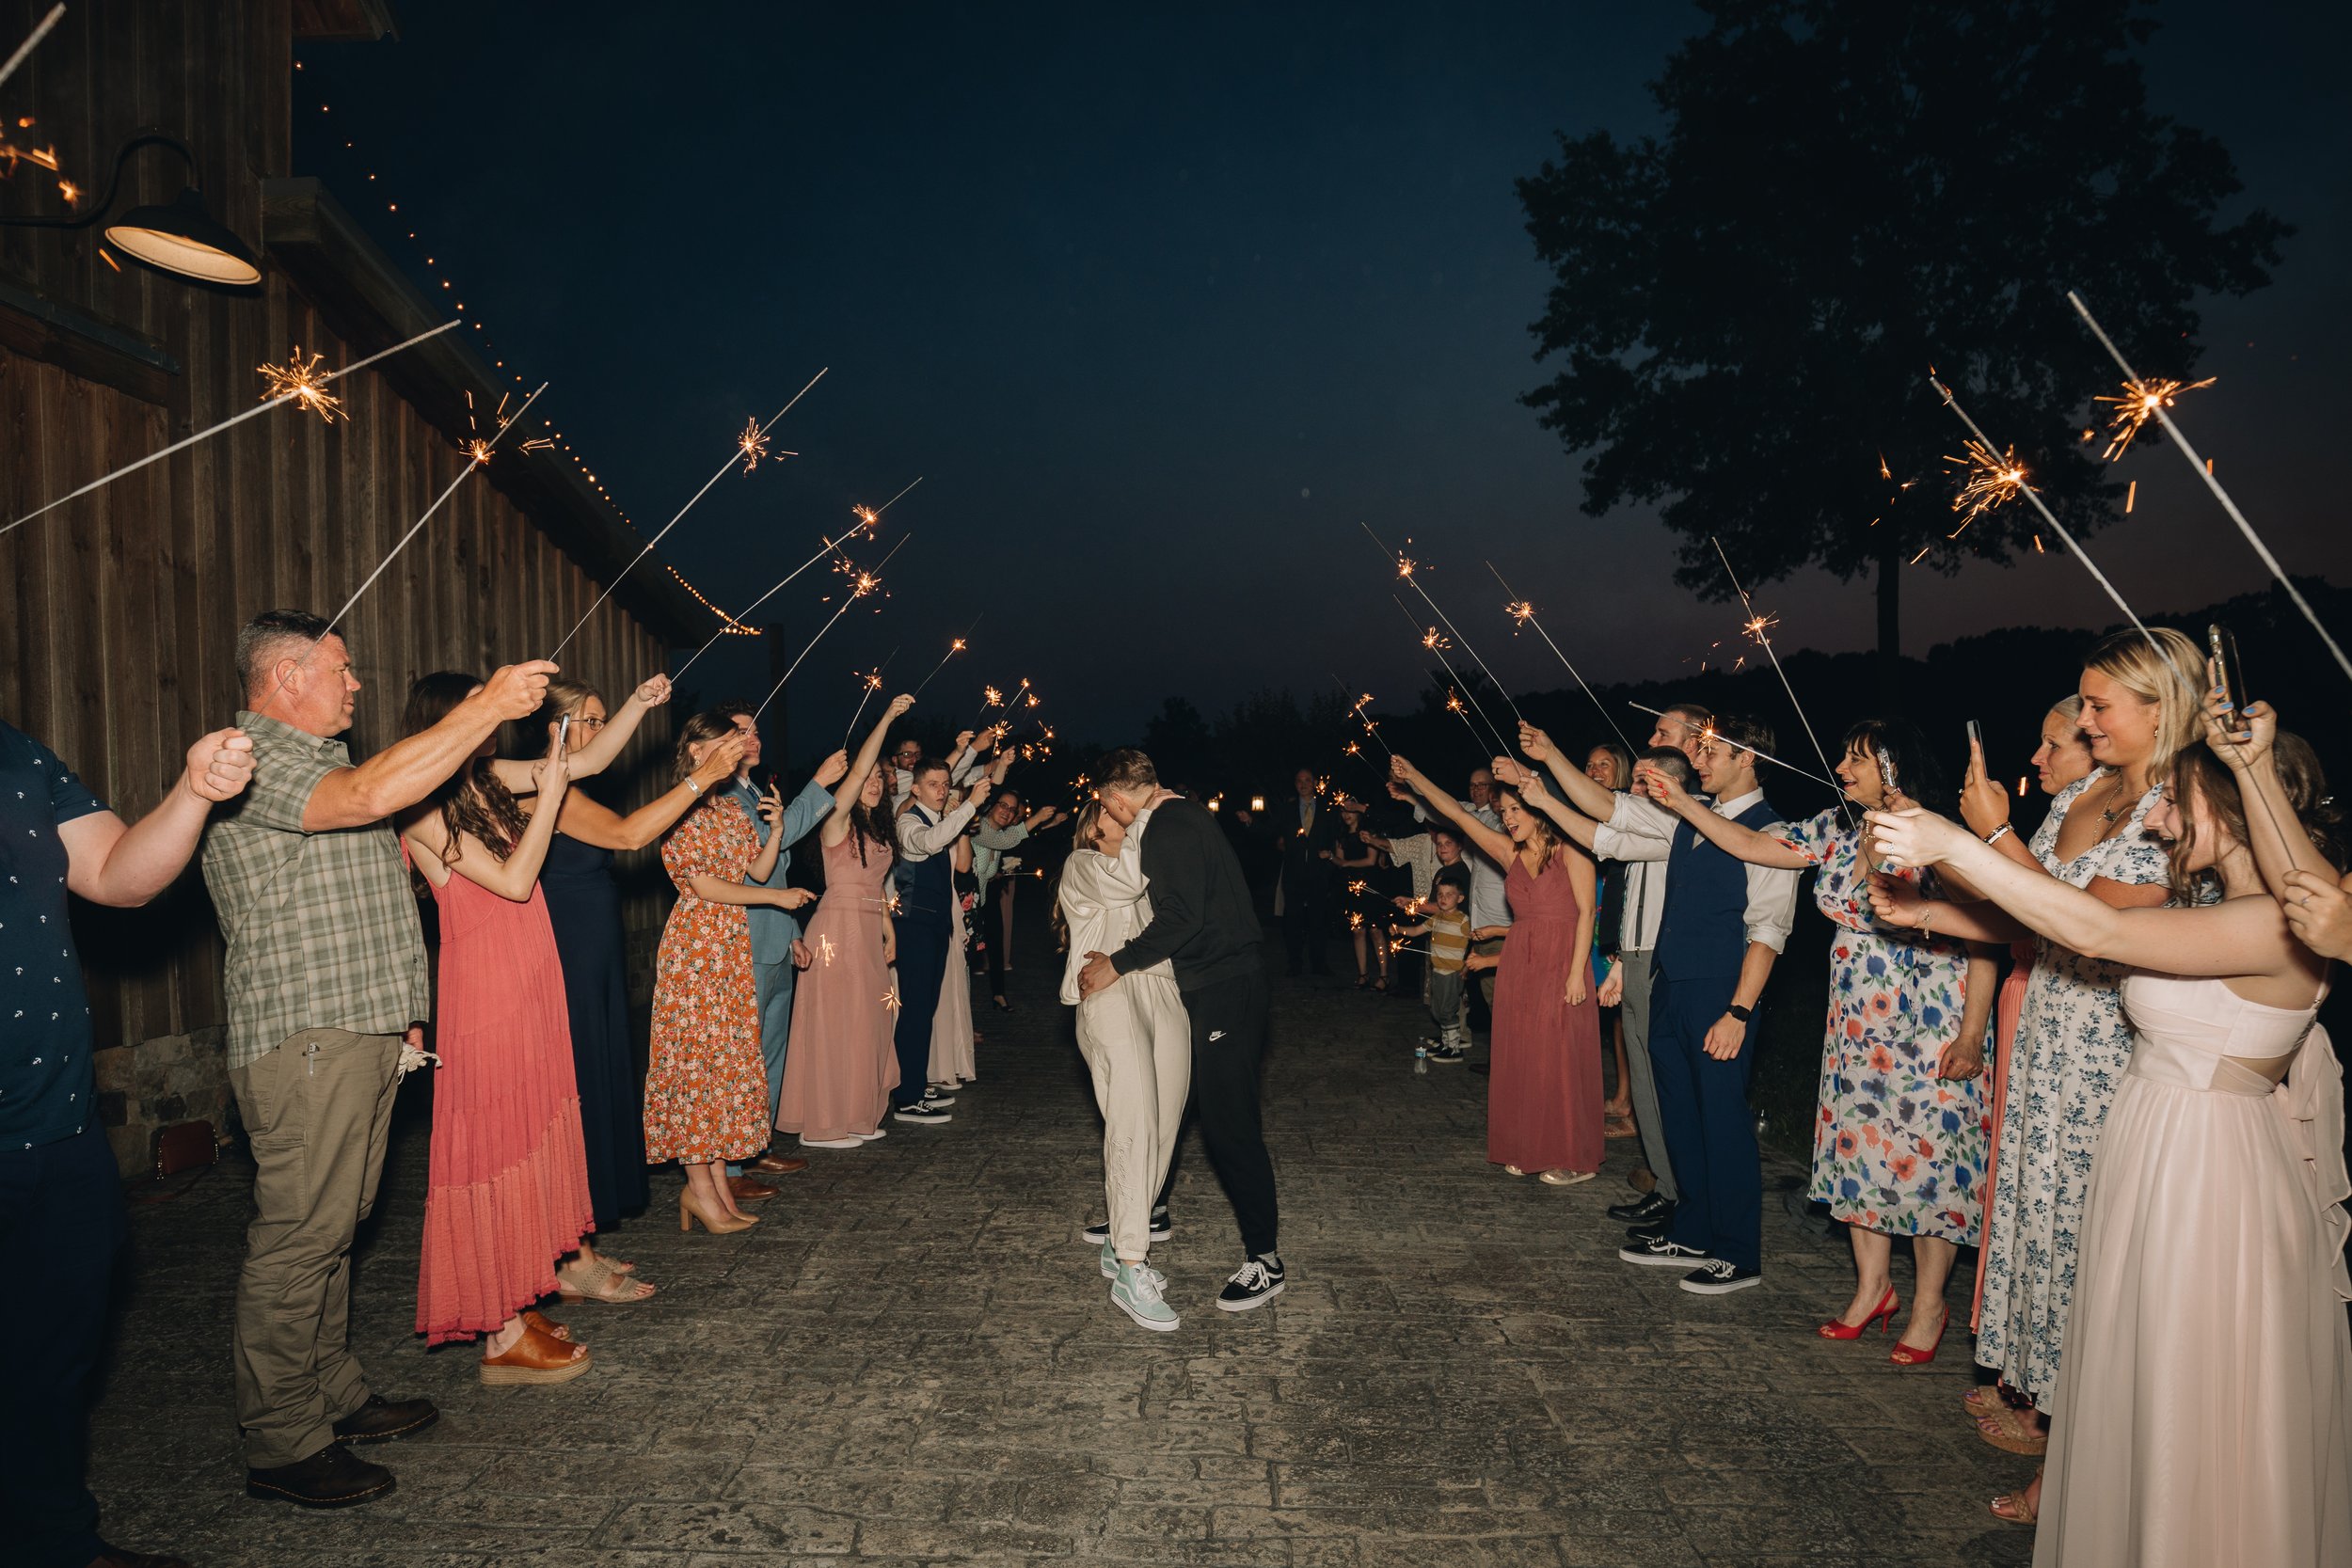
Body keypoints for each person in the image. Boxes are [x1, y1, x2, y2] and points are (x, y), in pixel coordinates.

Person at [1866, 708, 2347, 1561]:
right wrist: (1930, 915)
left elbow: (2100, 927)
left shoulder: (2274, 925)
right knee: (2135, 1375)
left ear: (2231, 811)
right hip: (2152, 1157)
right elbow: (2059, 927)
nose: (2157, 820)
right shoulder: (2219, 912)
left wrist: (1956, 841)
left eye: (2176, 804)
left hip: (2211, 1182)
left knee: (2190, 1384)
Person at [202, 609, 553, 1507]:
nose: (357, 683)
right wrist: (482, 710)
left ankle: (335, 1393)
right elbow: (371, 800)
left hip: (358, 1029)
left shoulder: (325, 762)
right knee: (297, 1238)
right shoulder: (257, 757)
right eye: (341, 669)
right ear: (284, 678)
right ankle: (283, 1440)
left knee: (338, 1224)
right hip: (304, 1034)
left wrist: (402, 1022)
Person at [1638, 719, 1994, 1357]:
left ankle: (1930, 1303)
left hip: (1929, 1021)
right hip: (1857, 1023)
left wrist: (1972, 1035)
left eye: (1855, 757)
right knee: (1861, 1154)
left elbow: (1985, 936)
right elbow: (1751, 846)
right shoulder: (1834, 827)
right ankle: (1872, 1288)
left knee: (1928, 1164)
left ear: (1892, 766)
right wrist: (1684, 800)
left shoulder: (1936, 833)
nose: (1841, 765)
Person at [6, 718, 252, 1568]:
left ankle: (55, 1543)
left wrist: (194, 793)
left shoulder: (15, 750)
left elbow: (116, 875)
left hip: (56, 1123)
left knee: (50, 1358)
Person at [1962, 628, 2199, 1509]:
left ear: (2159, 708)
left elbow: (2081, 918)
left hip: (2115, 1054)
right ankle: (2065, 1451)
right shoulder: (2086, 795)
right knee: (2051, 1250)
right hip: (2048, 1047)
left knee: (2099, 1263)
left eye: (2101, 705)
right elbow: (2021, 913)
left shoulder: (2175, 808)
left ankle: (2088, 1475)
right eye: (2085, 703)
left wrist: (1990, 831)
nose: (2087, 719)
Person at [394, 673, 600, 1383]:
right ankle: (499, 1336)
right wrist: (548, 799)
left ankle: (513, 1295)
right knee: (491, 1146)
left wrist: (635, 706)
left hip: (527, 974)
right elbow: (514, 880)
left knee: (530, 1129)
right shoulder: (421, 806)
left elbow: (584, 763)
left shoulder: (479, 780)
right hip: (484, 990)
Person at [1557, 715, 1798, 1294]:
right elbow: (1611, 819)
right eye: (1697, 752)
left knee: (1722, 1122)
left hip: (1721, 992)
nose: (1699, 762)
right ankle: (1692, 1229)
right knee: (1681, 1119)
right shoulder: (1691, 823)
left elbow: (1769, 930)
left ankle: (1739, 1253)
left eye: (1711, 753)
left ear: (1749, 760)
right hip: (1671, 986)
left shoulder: (1775, 831)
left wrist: (1739, 1012)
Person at [532, 679, 744, 1286]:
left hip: (594, 953)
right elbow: (629, 835)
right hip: (567, 951)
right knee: (573, 1092)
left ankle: (578, 1246)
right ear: (554, 730)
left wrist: (638, 705)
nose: (601, 735)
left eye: (603, 720)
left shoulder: (573, 782)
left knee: (595, 1086)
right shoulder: (549, 790)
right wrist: (701, 778)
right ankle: (569, 1256)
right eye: (590, 721)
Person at [1078, 748, 1286, 1311]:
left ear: (1117, 798)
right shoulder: (1184, 815)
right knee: (1180, 1098)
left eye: (1104, 804)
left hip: (1226, 988)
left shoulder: (1167, 827)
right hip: (1218, 985)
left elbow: (1182, 917)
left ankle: (1265, 1259)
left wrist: (1116, 962)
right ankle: (1153, 1207)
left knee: (1228, 1121)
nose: (1107, 814)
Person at [1521, 707, 1712, 1235]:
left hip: (1662, 961)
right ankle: (1667, 1187)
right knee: (1649, 1080)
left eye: (1659, 740)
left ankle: (1679, 1193)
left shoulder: (1681, 816)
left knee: (1662, 1079)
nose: (1646, 746)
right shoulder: (1663, 821)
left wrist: (1551, 759)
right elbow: (1607, 841)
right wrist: (1540, 799)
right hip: (1636, 957)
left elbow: (1605, 810)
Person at [1952, 696, 2094, 1404]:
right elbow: (2009, 905)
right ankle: (2032, 1383)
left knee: (2068, 1214)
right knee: (2026, 1200)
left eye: (2052, 745)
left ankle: (2055, 1405)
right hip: (2036, 1007)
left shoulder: (2129, 819)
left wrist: (1994, 832)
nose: (2036, 759)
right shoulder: (2061, 815)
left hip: (2085, 1029)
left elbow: (2076, 920)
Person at [644, 710, 816, 1234]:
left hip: (731, 949)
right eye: (727, 742)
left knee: (723, 1072)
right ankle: (700, 1191)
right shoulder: (681, 807)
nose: (740, 749)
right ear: (696, 750)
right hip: (697, 951)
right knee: (694, 1070)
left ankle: (717, 1187)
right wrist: (776, 898)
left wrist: (778, 828)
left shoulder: (727, 807)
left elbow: (756, 869)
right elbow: (703, 886)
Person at [1401, 755, 1603, 1184]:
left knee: (1559, 1058)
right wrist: (1416, 776)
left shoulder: (1574, 849)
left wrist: (1574, 974)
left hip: (1562, 961)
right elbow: (1454, 813)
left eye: (1516, 809)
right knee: (1524, 1053)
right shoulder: (1509, 852)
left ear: (1540, 806)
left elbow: (1586, 914)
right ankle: (1527, 1144)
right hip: (1521, 963)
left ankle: (1573, 1156)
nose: (1507, 818)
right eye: (1505, 810)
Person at [1058, 800, 1193, 1331]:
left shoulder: (1155, 874)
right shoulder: (1083, 864)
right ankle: (1133, 1264)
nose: (1135, 819)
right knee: (1133, 1118)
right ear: (1095, 823)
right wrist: (1149, 816)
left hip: (1164, 992)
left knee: (1164, 1128)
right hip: (1107, 993)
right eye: (1123, 811)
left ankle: (1120, 1244)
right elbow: (1124, 880)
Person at [716, 703, 849, 1191]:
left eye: (754, 730)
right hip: (741, 939)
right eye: (737, 731)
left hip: (774, 934)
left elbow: (782, 867)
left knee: (771, 1052)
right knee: (742, 1056)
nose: (751, 737)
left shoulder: (755, 789)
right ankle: (727, 1169)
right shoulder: (720, 797)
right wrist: (819, 785)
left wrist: (793, 932)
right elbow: (761, 852)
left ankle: (755, 1148)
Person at [778, 696, 914, 1149]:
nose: (873, 782)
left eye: (880, 777)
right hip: (835, 932)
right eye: (868, 776)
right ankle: (824, 1123)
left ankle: (858, 1112)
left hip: (868, 933)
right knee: (836, 1024)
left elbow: (879, 886)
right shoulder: (835, 822)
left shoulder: (880, 829)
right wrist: (888, 718)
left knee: (870, 1023)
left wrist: (889, 929)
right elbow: (854, 773)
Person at [891, 749, 1002, 1123]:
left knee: (925, 1011)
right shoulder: (908, 822)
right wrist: (969, 805)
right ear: (916, 789)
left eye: (945, 785)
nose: (941, 791)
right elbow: (929, 843)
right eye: (933, 785)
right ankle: (906, 1099)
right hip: (913, 927)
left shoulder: (936, 819)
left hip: (935, 926)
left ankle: (916, 1084)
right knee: (915, 1012)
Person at [1583, 743, 1637, 1132]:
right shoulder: (1584, 811)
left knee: (1628, 1013)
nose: (1596, 770)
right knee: (1616, 1018)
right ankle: (1621, 1097)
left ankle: (1635, 1109)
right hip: (1595, 913)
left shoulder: (1629, 808)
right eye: (1590, 765)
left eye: (1605, 764)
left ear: (1620, 770)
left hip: (1617, 918)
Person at [974, 790, 1065, 1011]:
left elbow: (1010, 841)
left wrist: (1044, 825)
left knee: (995, 944)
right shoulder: (978, 827)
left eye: (1012, 809)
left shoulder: (999, 832)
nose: (1008, 812)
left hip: (984, 899)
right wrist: (1038, 819)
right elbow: (1004, 840)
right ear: (991, 805)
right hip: (965, 904)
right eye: (1003, 805)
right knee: (965, 959)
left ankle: (998, 995)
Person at [1390, 867, 1474, 1062]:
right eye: (1440, 895)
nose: (1444, 898)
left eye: (1449, 895)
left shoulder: (1464, 921)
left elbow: (1475, 942)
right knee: (1437, 1010)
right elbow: (1416, 931)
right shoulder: (1436, 919)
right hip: (1438, 971)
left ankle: (1454, 1049)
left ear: (1460, 899)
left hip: (1452, 973)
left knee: (1447, 1010)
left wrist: (1467, 966)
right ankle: (1446, 1043)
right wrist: (1399, 929)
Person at [1330, 798, 1390, 990]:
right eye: (1343, 810)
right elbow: (1339, 861)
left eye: (1351, 810)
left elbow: (1370, 861)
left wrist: (1345, 863)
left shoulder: (1368, 833)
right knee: (1357, 931)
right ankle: (1363, 974)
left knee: (1375, 930)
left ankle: (1384, 976)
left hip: (1370, 885)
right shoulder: (1341, 836)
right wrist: (1333, 858)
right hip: (1351, 887)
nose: (1347, 814)